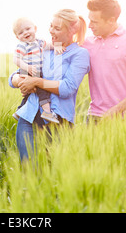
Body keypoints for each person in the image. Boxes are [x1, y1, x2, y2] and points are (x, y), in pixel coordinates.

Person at [9, 9, 90, 161]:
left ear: (72, 30)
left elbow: (67, 88)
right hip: (29, 116)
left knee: (53, 172)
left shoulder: (79, 54)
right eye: (51, 26)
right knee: (28, 171)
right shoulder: (45, 49)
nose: (51, 31)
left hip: (58, 122)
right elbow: (15, 75)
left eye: (57, 28)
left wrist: (36, 82)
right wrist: (20, 81)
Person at [81, 0, 126, 124]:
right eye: (89, 20)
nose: (90, 26)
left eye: (95, 22)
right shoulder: (87, 43)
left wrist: (117, 110)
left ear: (111, 20)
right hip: (94, 117)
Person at [12, 17, 65, 124]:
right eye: (21, 32)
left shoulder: (40, 42)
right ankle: (47, 112)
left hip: (35, 71)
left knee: (31, 93)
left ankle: (20, 110)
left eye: (28, 29)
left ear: (35, 28)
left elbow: (50, 45)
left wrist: (57, 46)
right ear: (17, 37)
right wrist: (27, 67)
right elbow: (16, 59)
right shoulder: (22, 45)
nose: (25, 33)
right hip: (28, 70)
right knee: (42, 90)